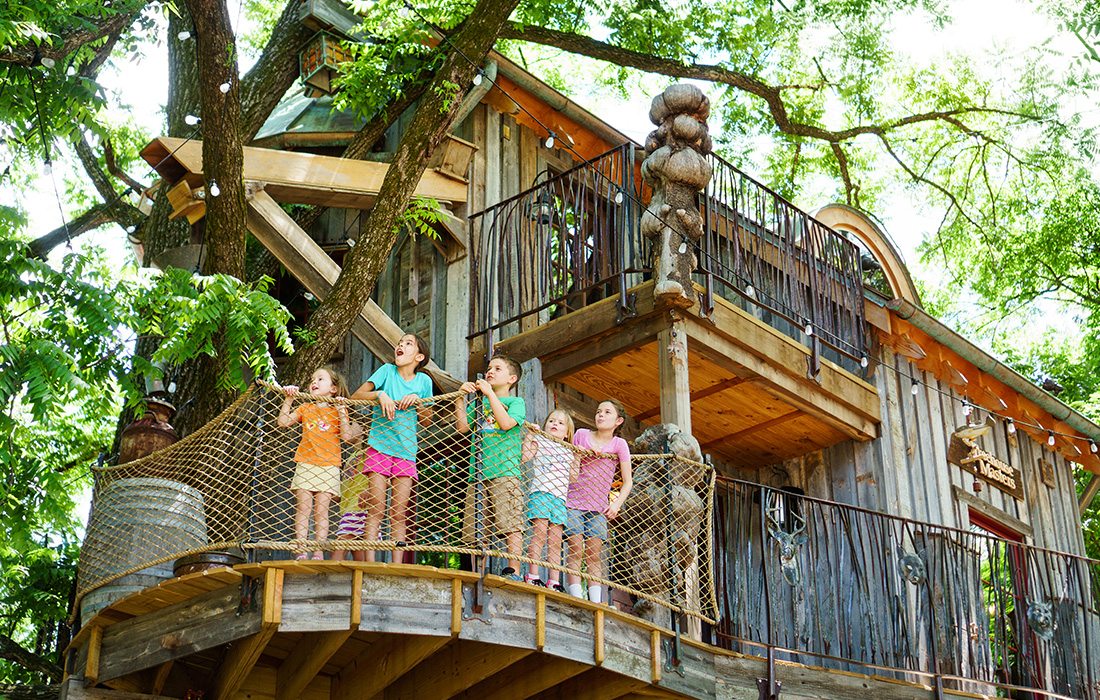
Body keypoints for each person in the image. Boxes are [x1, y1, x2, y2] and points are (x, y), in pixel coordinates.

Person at [348, 333, 434, 562]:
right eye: (399, 342)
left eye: (408, 344)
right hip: (379, 448)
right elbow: (356, 395)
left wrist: (417, 400)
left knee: (398, 512)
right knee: (376, 507)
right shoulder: (386, 371)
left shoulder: (424, 382)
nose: (400, 345)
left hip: (406, 453)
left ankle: (396, 565)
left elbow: (427, 420)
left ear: (419, 356)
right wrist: (380, 395)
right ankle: (370, 564)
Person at [278, 367, 362, 560]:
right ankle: (301, 549)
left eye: (320, 379)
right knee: (303, 509)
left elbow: (347, 436)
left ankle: (318, 551)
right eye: (312, 379)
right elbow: (283, 422)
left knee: (321, 511)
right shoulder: (305, 408)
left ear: (333, 389)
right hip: (306, 463)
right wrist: (288, 399)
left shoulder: (337, 411)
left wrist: (342, 411)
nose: (313, 382)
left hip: (329, 466)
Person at [455, 355, 526, 579]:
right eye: (489, 368)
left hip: (504, 471)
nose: (490, 371)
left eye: (498, 368)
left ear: (512, 379)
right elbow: (462, 428)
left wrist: (490, 394)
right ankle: (479, 572)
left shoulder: (516, 403)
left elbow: (505, 424)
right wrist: (459, 398)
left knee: (510, 524)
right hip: (477, 473)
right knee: (477, 528)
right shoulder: (478, 403)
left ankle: (513, 570)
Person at [565, 399, 633, 603]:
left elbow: (628, 481)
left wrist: (616, 505)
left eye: (607, 412)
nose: (600, 415)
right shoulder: (581, 435)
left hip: (599, 508)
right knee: (575, 549)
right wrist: (580, 455)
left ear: (618, 420)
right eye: (598, 411)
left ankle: (595, 601)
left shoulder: (619, 444)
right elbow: (572, 473)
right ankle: (576, 596)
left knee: (594, 555)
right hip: (574, 502)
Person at [522, 409, 578, 591]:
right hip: (541, 493)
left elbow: (573, 478)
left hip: (559, 499)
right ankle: (533, 574)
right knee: (539, 534)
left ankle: (554, 580)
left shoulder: (569, 451)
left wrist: (577, 457)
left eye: (561, 423)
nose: (555, 424)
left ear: (567, 433)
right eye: (552, 421)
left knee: (555, 541)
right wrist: (530, 435)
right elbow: (525, 457)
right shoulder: (541, 441)